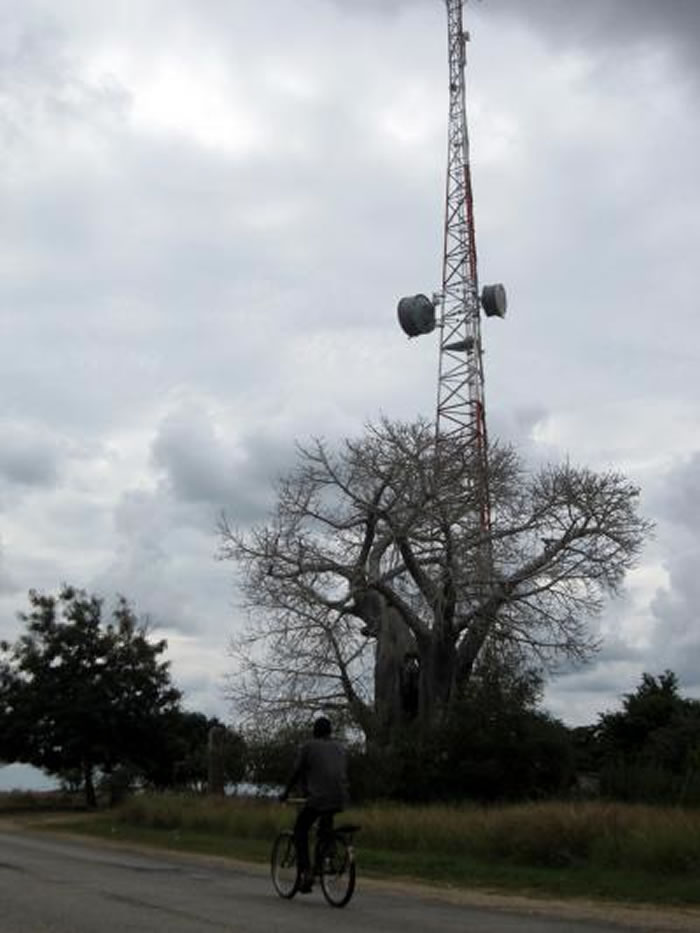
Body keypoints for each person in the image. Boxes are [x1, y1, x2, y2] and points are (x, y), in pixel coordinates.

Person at [279, 716, 349, 893]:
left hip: (318, 799)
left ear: (314, 731)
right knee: (325, 829)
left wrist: (285, 793)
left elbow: (297, 772)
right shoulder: (340, 747)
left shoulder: (308, 746)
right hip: (340, 798)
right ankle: (327, 855)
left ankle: (307, 872)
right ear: (330, 732)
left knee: (300, 830)